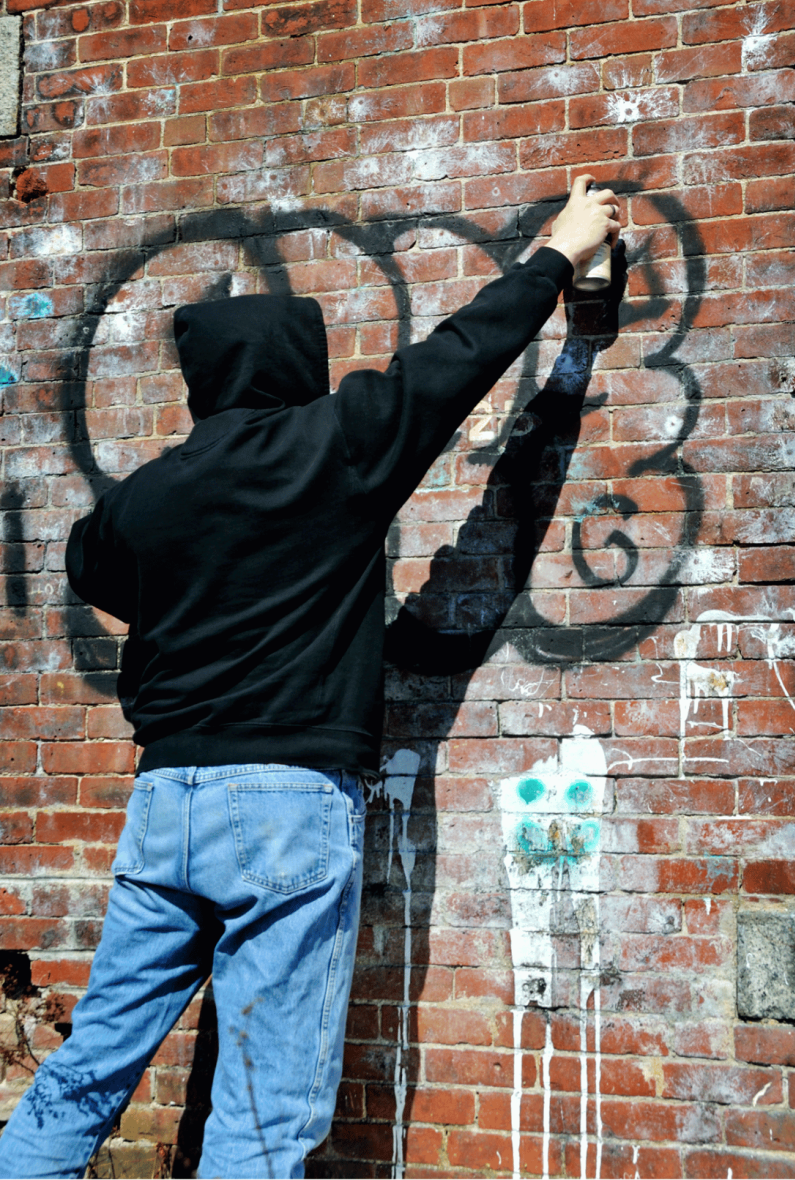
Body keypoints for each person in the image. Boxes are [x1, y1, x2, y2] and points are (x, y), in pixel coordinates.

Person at [0, 177, 621, 1178]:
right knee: (261, 1115)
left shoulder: (149, 496)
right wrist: (556, 254)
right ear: (298, 360)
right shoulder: (336, 441)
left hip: (167, 799)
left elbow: (85, 562)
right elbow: (459, 356)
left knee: (89, 1071)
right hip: (284, 799)